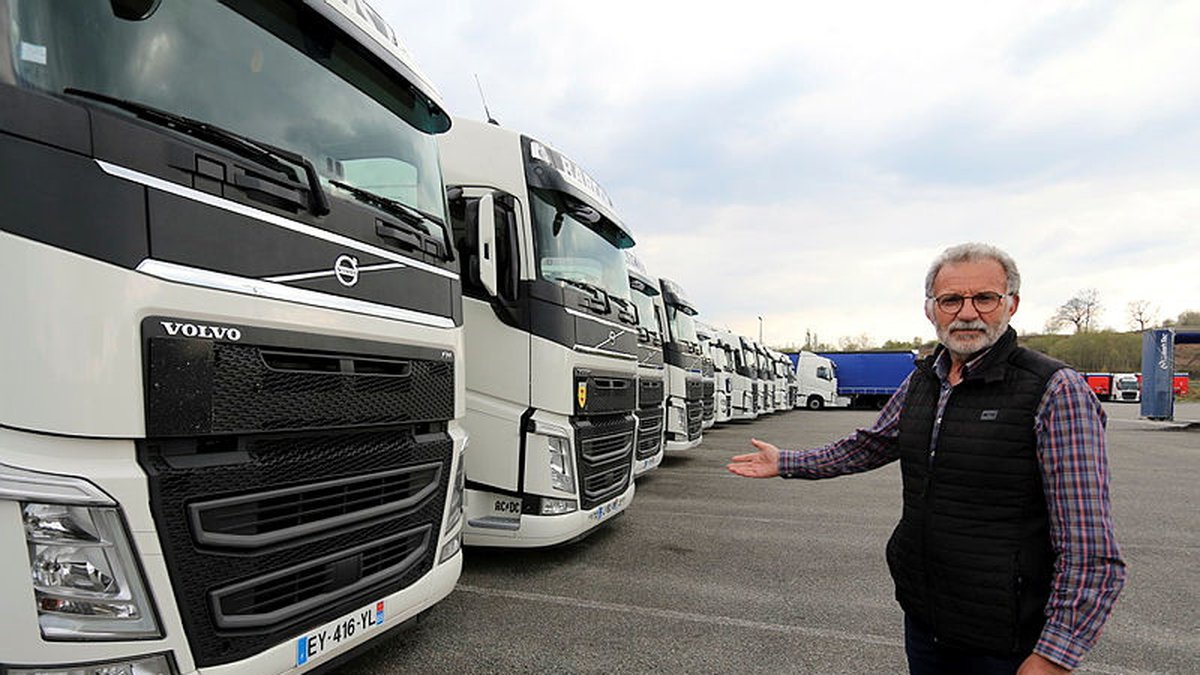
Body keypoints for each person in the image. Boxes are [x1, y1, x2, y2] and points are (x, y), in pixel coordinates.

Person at [728, 243, 1125, 675]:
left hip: (1005, 641)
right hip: (926, 620)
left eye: (984, 298)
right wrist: (788, 461)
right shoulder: (924, 380)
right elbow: (870, 443)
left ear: (1011, 304)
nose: (967, 312)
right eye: (951, 300)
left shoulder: (1054, 389)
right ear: (930, 309)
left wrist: (1054, 656)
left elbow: (1089, 546)